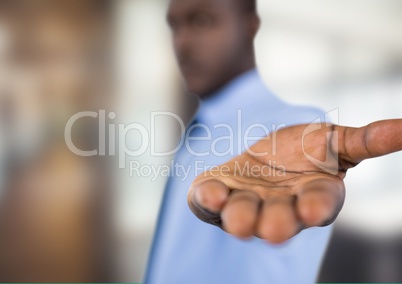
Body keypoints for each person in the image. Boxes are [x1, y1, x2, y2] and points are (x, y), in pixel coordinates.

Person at [145, 0, 402, 283]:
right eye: (174, 26)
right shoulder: (197, 128)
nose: (182, 43)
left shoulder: (296, 127)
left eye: (202, 21)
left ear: (249, 25)